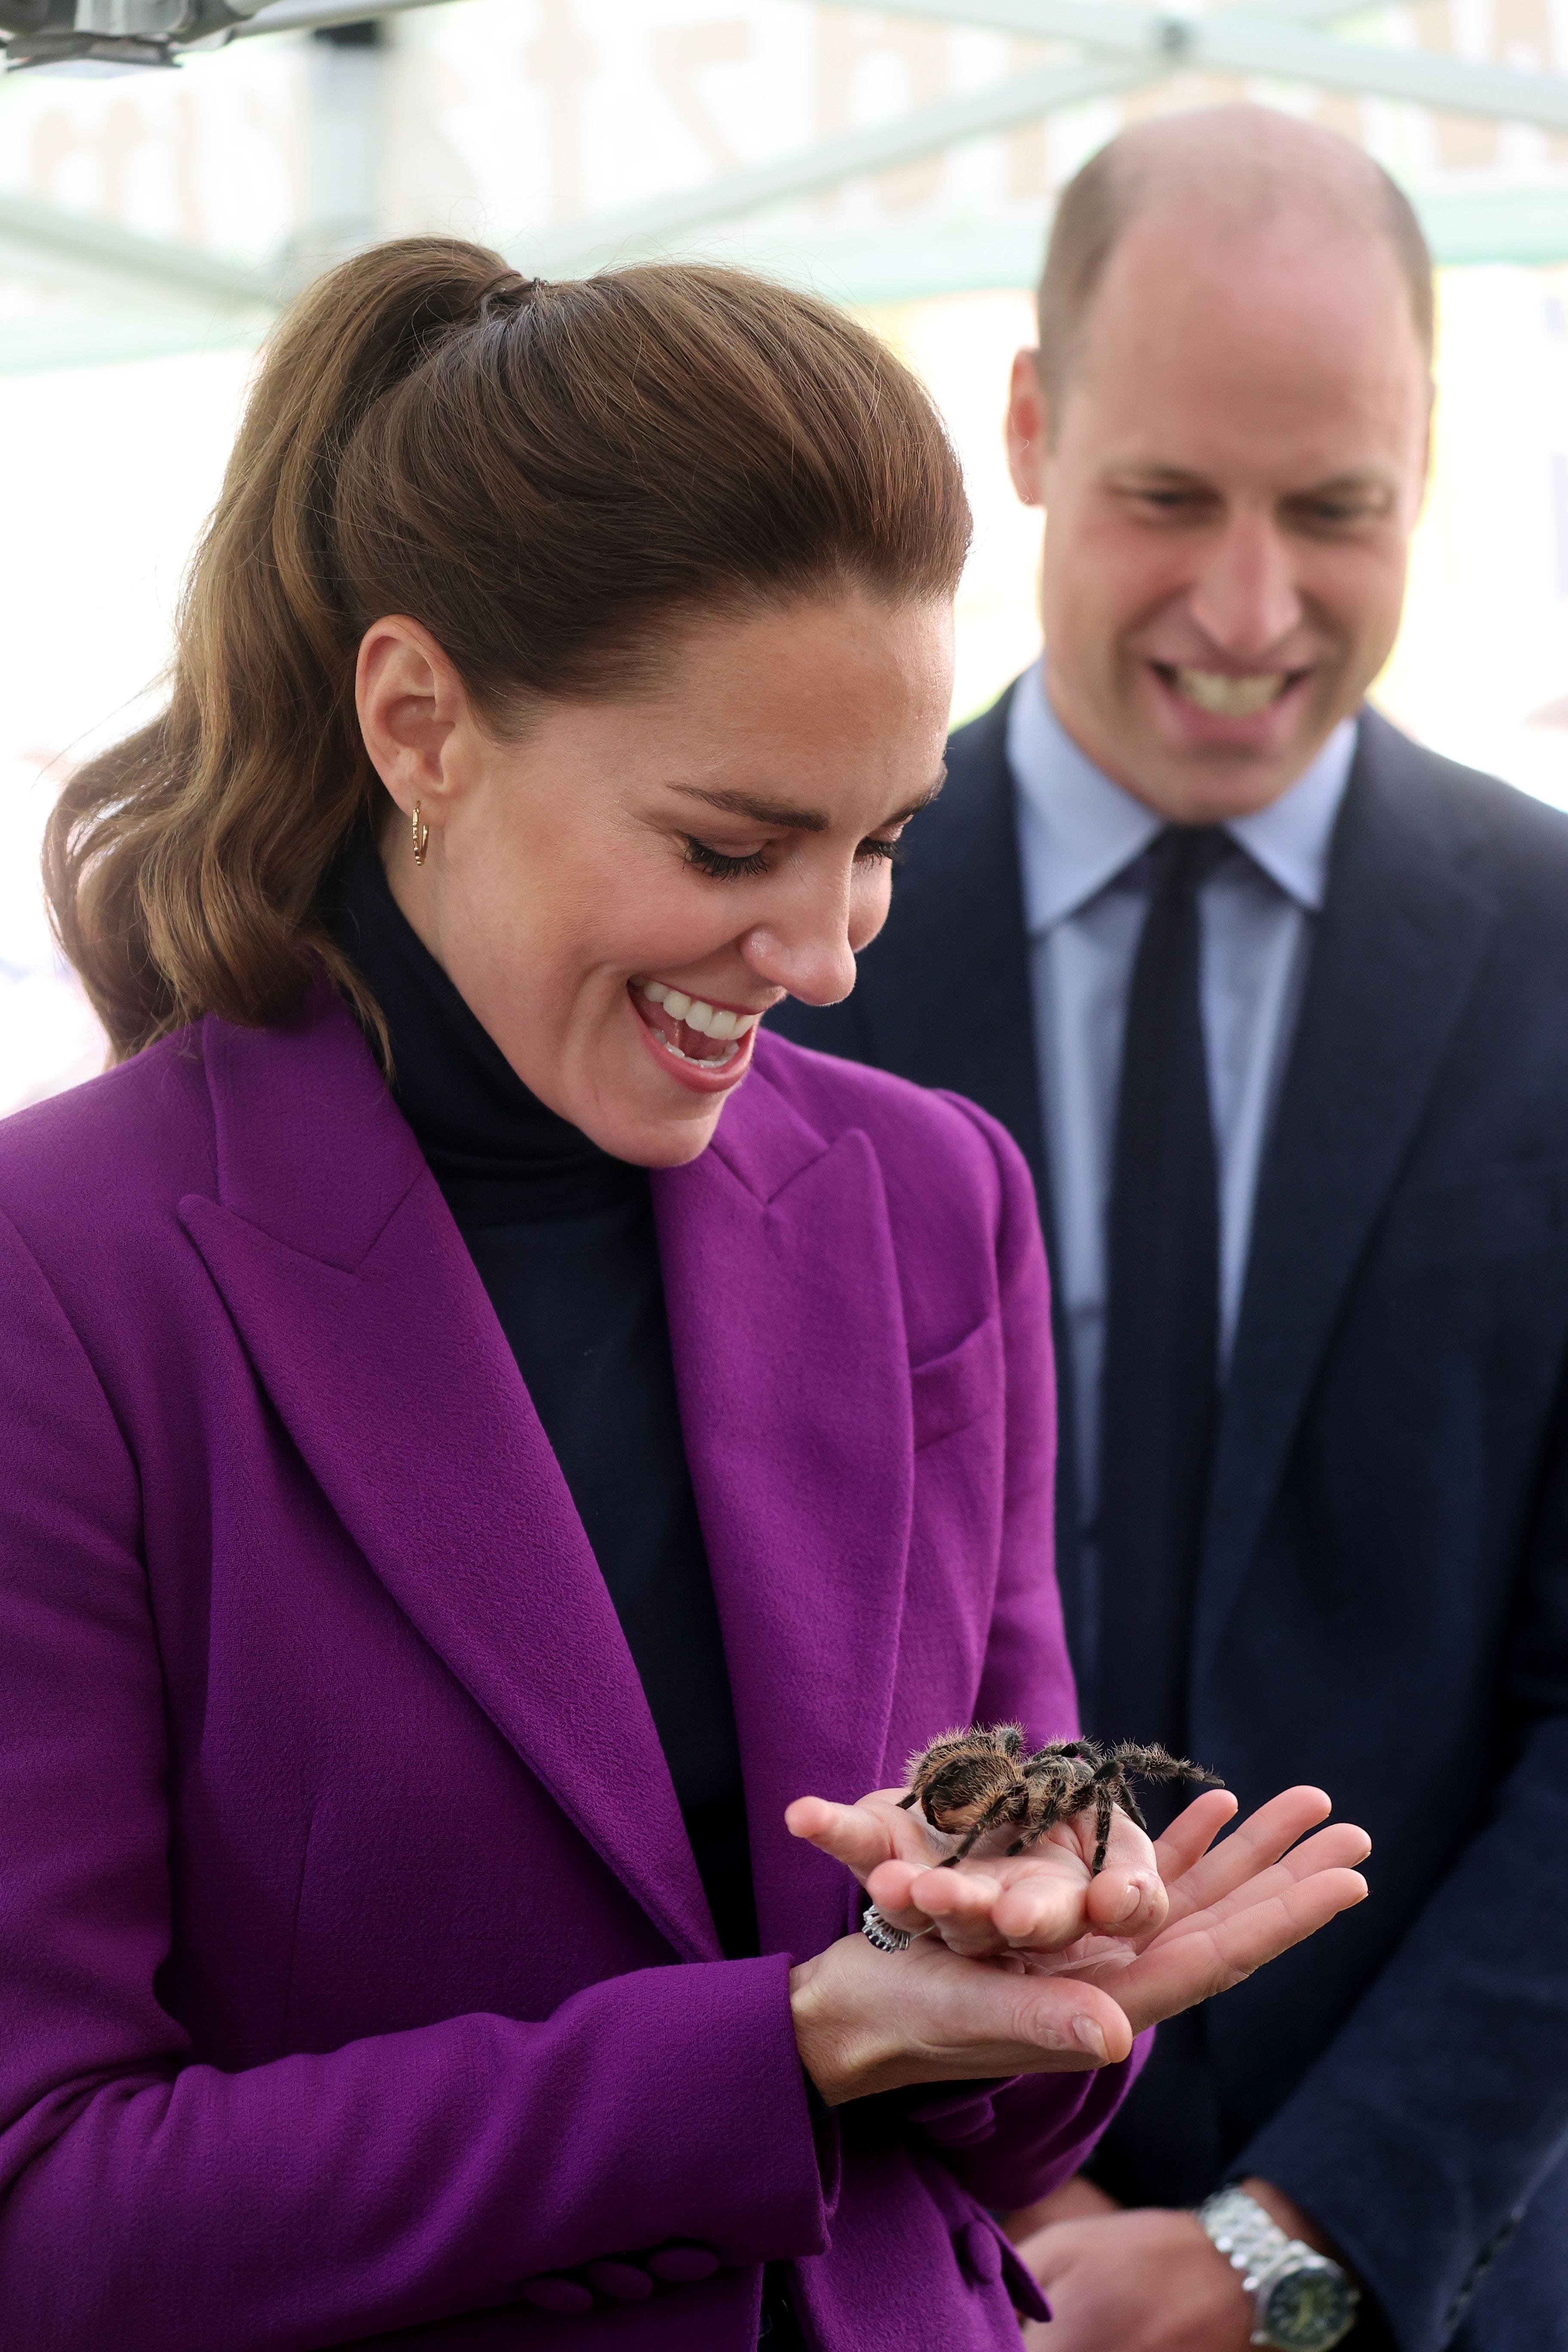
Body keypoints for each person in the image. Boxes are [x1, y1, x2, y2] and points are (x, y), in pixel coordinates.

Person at [0, 240, 1364, 2351]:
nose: (827, 956)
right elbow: (54, 2215)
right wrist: (791, 2044)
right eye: (736, 850)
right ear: (419, 726)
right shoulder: (67, 1276)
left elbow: (998, 2146)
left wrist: (1027, 1980)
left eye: (884, 844)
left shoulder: (932, 1202)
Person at [771, 106, 1568, 2352]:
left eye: (1333, 513)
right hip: (871, 2238)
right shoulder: (775, 955)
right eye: (1165, 500)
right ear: (1029, 427)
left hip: (1434, 2263)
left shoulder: (1555, 952)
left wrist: (1292, 2242)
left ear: (1429, 464)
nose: (1247, 610)